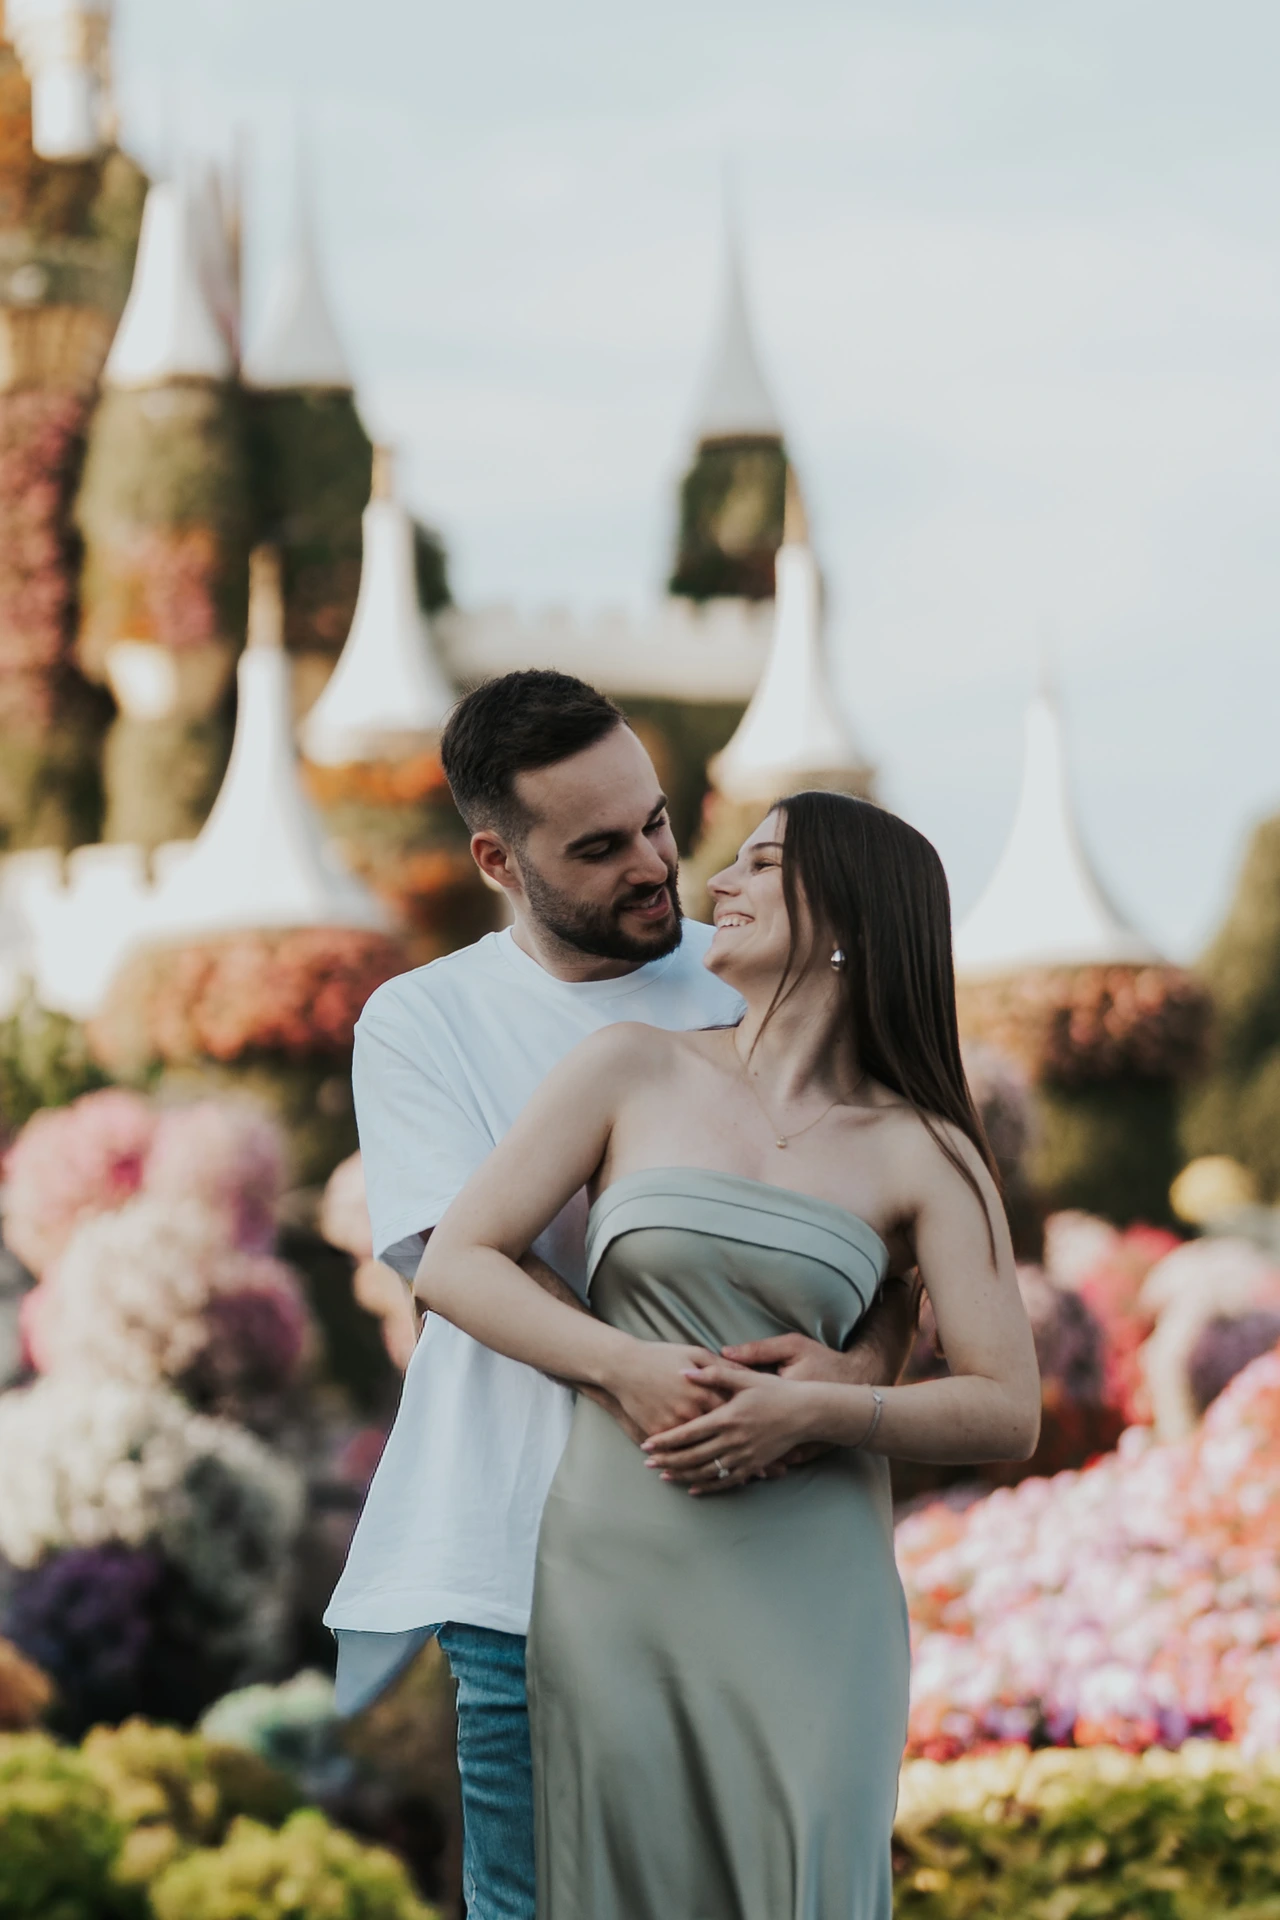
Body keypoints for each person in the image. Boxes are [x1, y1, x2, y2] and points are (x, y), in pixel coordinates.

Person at [323, 673, 918, 1920]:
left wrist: (856, 1379)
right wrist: (631, 1367)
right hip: (521, 1564)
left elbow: (897, 1227)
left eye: (655, 821)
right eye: (599, 849)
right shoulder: (422, 1021)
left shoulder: (759, 974)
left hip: (756, 1549)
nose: (655, 866)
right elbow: (446, 1260)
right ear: (497, 857)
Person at [416, 788, 1042, 1920]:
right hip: (618, 1574)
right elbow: (456, 1262)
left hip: (813, 1597)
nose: (716, 885)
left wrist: (825, 1411)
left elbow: (1006, 1409)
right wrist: (624, 1367)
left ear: (847, 912)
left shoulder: (926, 1151)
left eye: (759, 864)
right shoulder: (630, 1068)